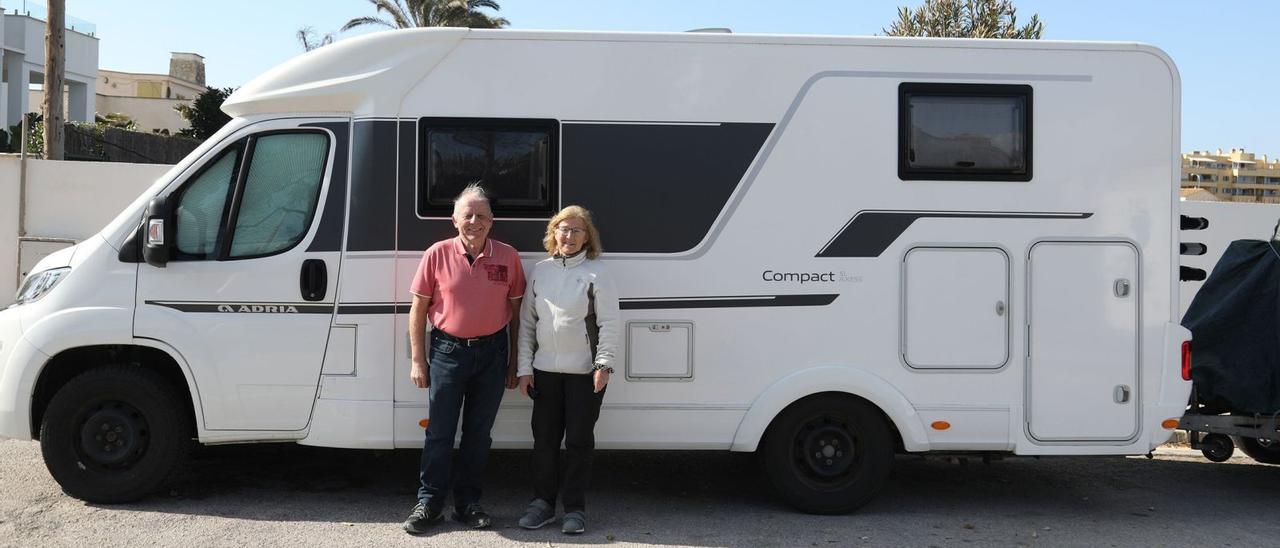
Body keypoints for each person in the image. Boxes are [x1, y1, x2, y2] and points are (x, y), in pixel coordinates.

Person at [401, 184, 525, 535]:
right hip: (447, 352)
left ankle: (468, 504)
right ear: (454, 220)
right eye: (467, 215)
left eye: (482, 215)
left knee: (478, 434)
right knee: (439, 433)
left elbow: (517, 315)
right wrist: (417, 360)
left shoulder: (508, 256)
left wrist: (516, 362)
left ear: (492, 221)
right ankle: (429, 504)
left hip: (493, 354)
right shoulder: (436, 254)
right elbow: (418, 309)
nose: (474, 221)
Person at [515, 205, 620, 535]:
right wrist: (524, 369)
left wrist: (603, 364)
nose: (569, 236)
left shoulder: (596, 272)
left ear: (588, 237)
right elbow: (527, 324)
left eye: (577, 231)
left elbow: (610, 323)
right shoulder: (540, 270)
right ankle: (541, 504)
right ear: (553, 233)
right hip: (544, 371)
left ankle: (574, 509)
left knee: (578, 441)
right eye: (563, 229)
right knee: (544, 440)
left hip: (584, 373)